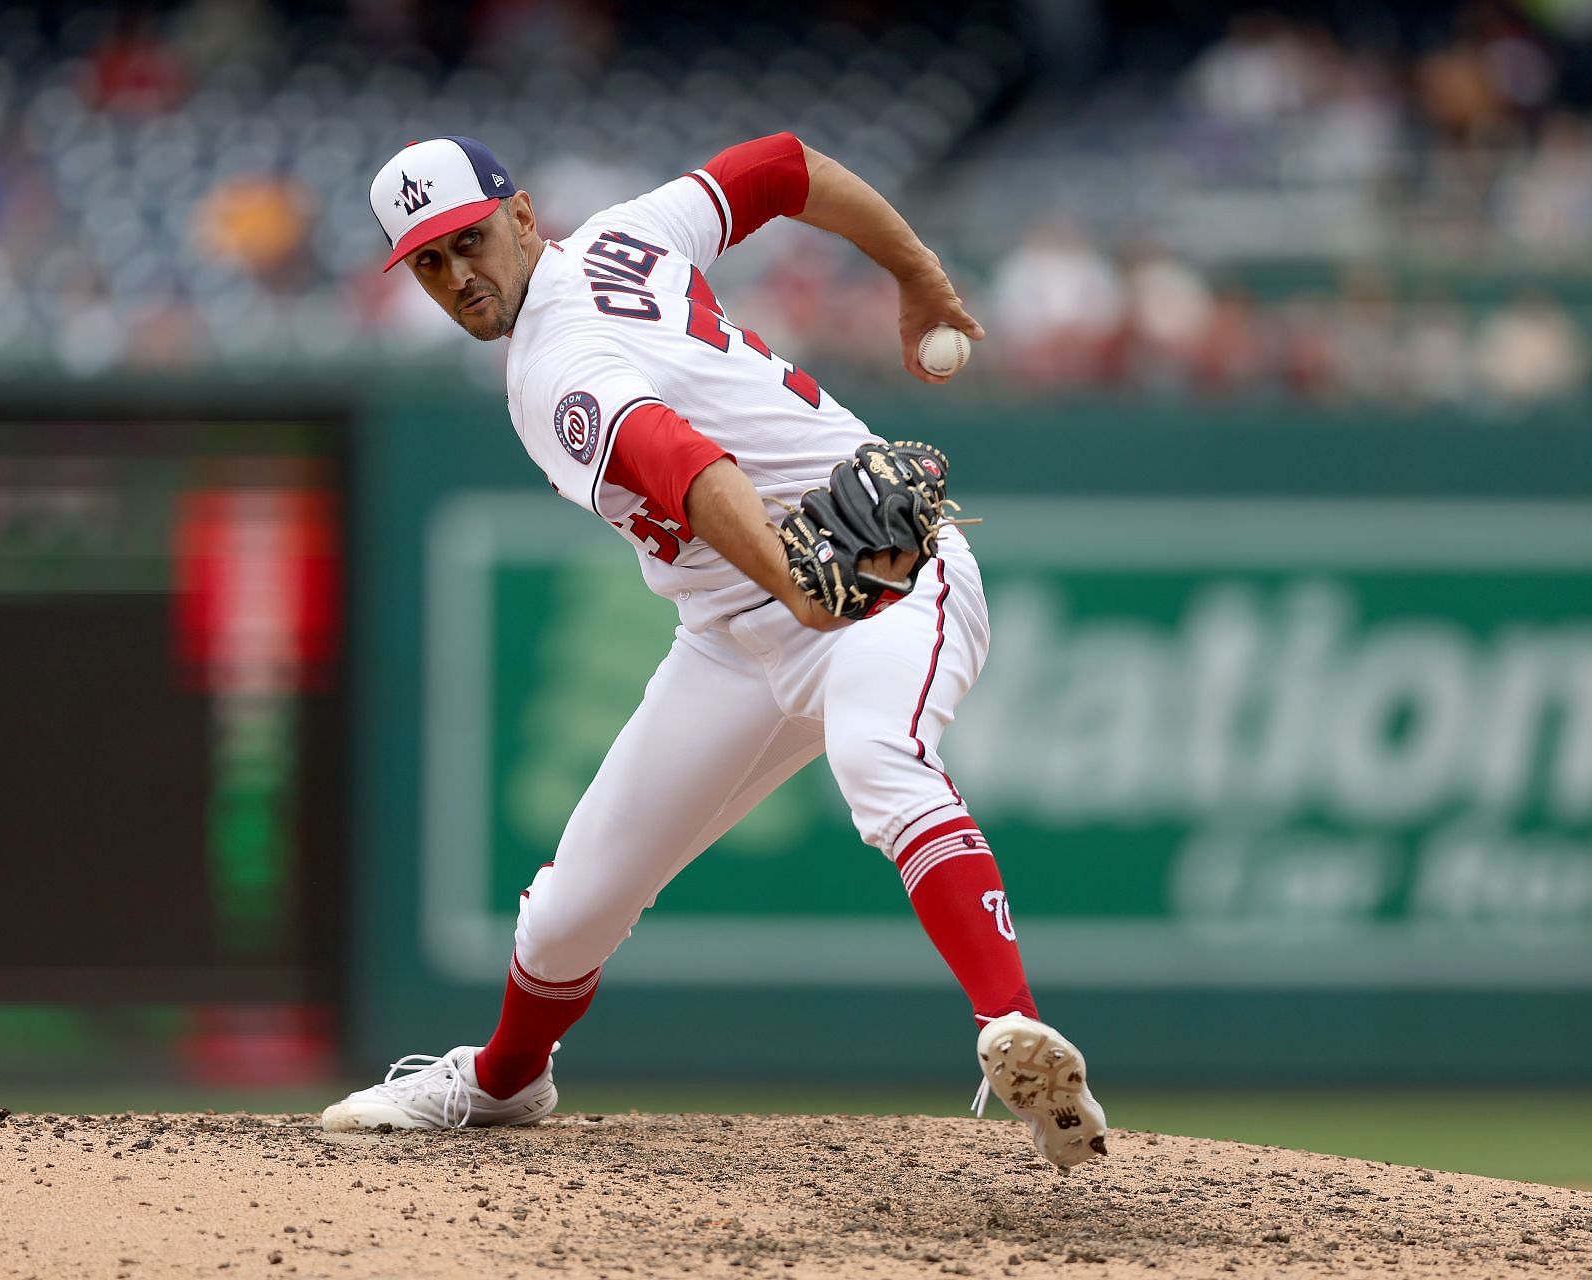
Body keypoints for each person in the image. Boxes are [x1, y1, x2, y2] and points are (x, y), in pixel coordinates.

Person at [321, 132, 1109, 1170]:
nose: (459, 276)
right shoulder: (629, 236)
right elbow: (786, 168)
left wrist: (918, 283)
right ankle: (506, 1078)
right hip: (738, 633)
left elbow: (683, 461)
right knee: (566, 912)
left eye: (468, 241)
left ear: (521, 218)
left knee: (877, 756)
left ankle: (1013, 1027)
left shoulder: (557, 363)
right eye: (429, 262)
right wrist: (915, 277)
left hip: (882, 577)